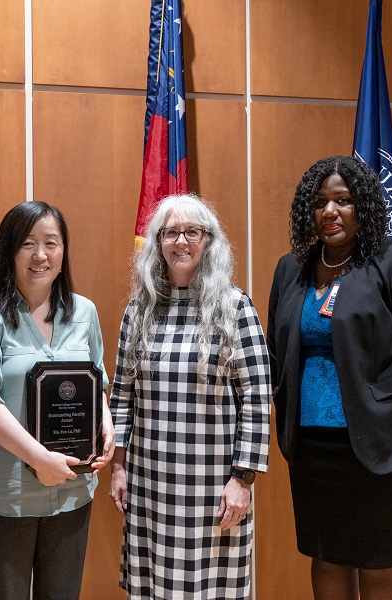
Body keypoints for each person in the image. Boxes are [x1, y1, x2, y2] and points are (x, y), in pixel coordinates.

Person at [267, 155, 392, 600]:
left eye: (344, 200)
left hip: (381, 446)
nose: (330, 211)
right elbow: (277, 355)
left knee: (379, 562)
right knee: (327, 557)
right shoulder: (289, 270)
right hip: (312, 448)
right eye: (320, 203)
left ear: (364, 207)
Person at [109, 194, 271, 599]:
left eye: (192, 232)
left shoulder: (234, 307)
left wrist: (243, 479)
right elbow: (122, 395)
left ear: (208, 241)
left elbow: (257, 395)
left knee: (211, 589)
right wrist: (118, 467)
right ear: (157, 242)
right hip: (151, 486)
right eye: (171, 232)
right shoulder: (139, 309)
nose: (181, 242)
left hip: (214, 486)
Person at [0, 200, 115, 600]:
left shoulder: (85, 312)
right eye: (28, 243)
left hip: (72, 492)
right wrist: (38, 458)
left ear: (64, 251)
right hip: (3, 498)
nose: (41, 255)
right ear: (8, 251)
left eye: (51, 242)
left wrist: (106, 425)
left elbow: (95, 380)